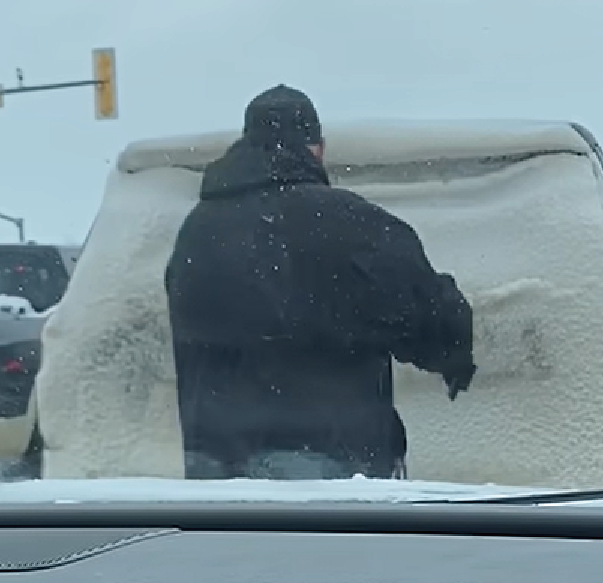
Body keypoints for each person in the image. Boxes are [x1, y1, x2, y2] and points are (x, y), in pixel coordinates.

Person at [164, 85, 476, 480]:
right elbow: (424, 315)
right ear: (318, 148)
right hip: (322, 461)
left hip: (211, 465)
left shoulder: (197, 229)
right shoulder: (345, 222)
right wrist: (454, 351)